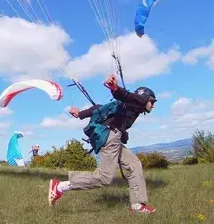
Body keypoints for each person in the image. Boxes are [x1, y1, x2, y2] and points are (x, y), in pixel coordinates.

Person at [47, 73, 157, 214]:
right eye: (152, 102)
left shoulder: (126, 106)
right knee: (104, 178)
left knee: (134, 164)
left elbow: (98, 108)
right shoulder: (137, 101)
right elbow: (127, 95)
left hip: (113, 138)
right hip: (110, 138)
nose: (152, 106)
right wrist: (115, 89)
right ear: (145, 97)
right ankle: (60, 187)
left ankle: (137, 206)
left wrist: (80, 114)